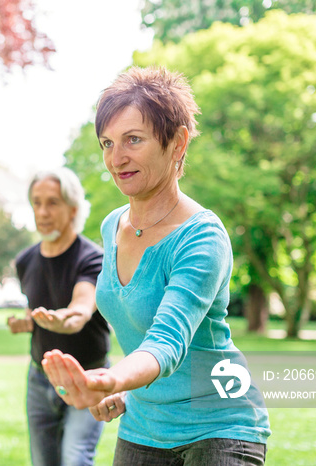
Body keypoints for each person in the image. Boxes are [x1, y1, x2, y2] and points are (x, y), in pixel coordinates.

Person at [41, 66, 271, 465]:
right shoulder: (112, 225)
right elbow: (135, 328)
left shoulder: (202, 236)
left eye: (133, 140)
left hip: (219, 427)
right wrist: (123, 388)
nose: (117, 158)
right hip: (143, 426)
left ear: (177, 143)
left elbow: (167, 342)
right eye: (107, 143)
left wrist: (110, 377)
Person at [7, 167, 110, 466]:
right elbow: (38, 305)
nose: (43, 211)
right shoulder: (26, 261)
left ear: (72, 208)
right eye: (37, 202)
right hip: (40, 380)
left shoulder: (91, 257)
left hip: (87, 376)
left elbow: (82, 306)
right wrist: (28, 321)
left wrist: (68, 318)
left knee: (75, 459)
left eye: (52, 202)